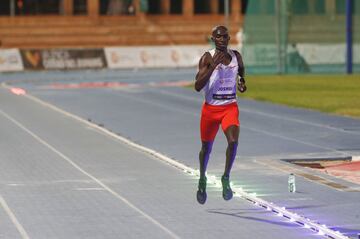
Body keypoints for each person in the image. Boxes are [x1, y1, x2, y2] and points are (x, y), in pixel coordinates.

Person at [195, 25, 246, 204]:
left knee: (233, 142)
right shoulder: (207, 58)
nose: (222, 40)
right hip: (210, 109)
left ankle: (226, 177)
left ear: (228, 38)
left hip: (229, 107)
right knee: (206, 149)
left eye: (225, 37)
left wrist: (242, 83)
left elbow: (241, 74)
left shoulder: (236, 57)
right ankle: (202, 179)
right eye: (218, 37)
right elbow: (197, 86)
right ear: (213, 39)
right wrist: (212, 67)